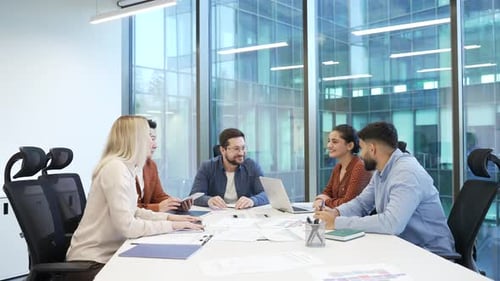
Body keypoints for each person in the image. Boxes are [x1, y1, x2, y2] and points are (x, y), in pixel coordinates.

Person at [66, 116, 203, 281]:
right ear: (135, 140)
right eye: (148, 137)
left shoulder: (126, 168)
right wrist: (172, 225)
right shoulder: (115, 169)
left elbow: (134, 211)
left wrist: (170, 217)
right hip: (92, 262)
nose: (153, 144)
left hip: (109, 255)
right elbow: (128, 227)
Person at [314, 121, 456, 256]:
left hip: (430, 253)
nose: (360, 155)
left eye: (362, 149)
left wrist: (337, 223)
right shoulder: (381, 171)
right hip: (402, 246)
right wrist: (336, 213)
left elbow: (391, 223)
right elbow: (362, 203)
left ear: (372, 149)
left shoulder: (406, 173)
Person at [190, 128, 269, 209]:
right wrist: (209, 200)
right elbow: (194, 196)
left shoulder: (251, 166)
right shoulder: (207, 167)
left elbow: (267, 194)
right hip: (217, 215)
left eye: (243, 148)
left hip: (244, 215)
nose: (241, 153)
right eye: (236, 149)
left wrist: (253, 200)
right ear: (223, 150)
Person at [136, 119, 191, 212]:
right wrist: (157, 208)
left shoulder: (150, 165)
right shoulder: (120, 168)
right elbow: (127, 209)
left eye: (154, 139)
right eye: (151, 139)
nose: (155, 145)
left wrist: (176, 204)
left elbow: (158, 196)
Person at [312, 124, 372, 210]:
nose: (329, 145)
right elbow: (327, 192)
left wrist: (325, 202)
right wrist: (321, 199)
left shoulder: (360, 167)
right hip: (338, 217)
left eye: (335, 142)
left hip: (354, 220)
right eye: (329, 141)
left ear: (350, 146)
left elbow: (348, 203)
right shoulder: (338, 167)